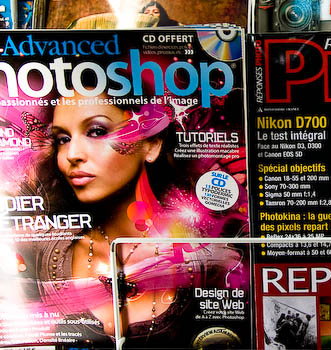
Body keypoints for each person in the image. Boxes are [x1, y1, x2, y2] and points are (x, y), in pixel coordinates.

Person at [20, 90, 246, 347]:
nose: (73, 154)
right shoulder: (38, 255)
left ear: (151, 144)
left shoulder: (213, 262)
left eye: (96, 131)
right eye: (63, 138)